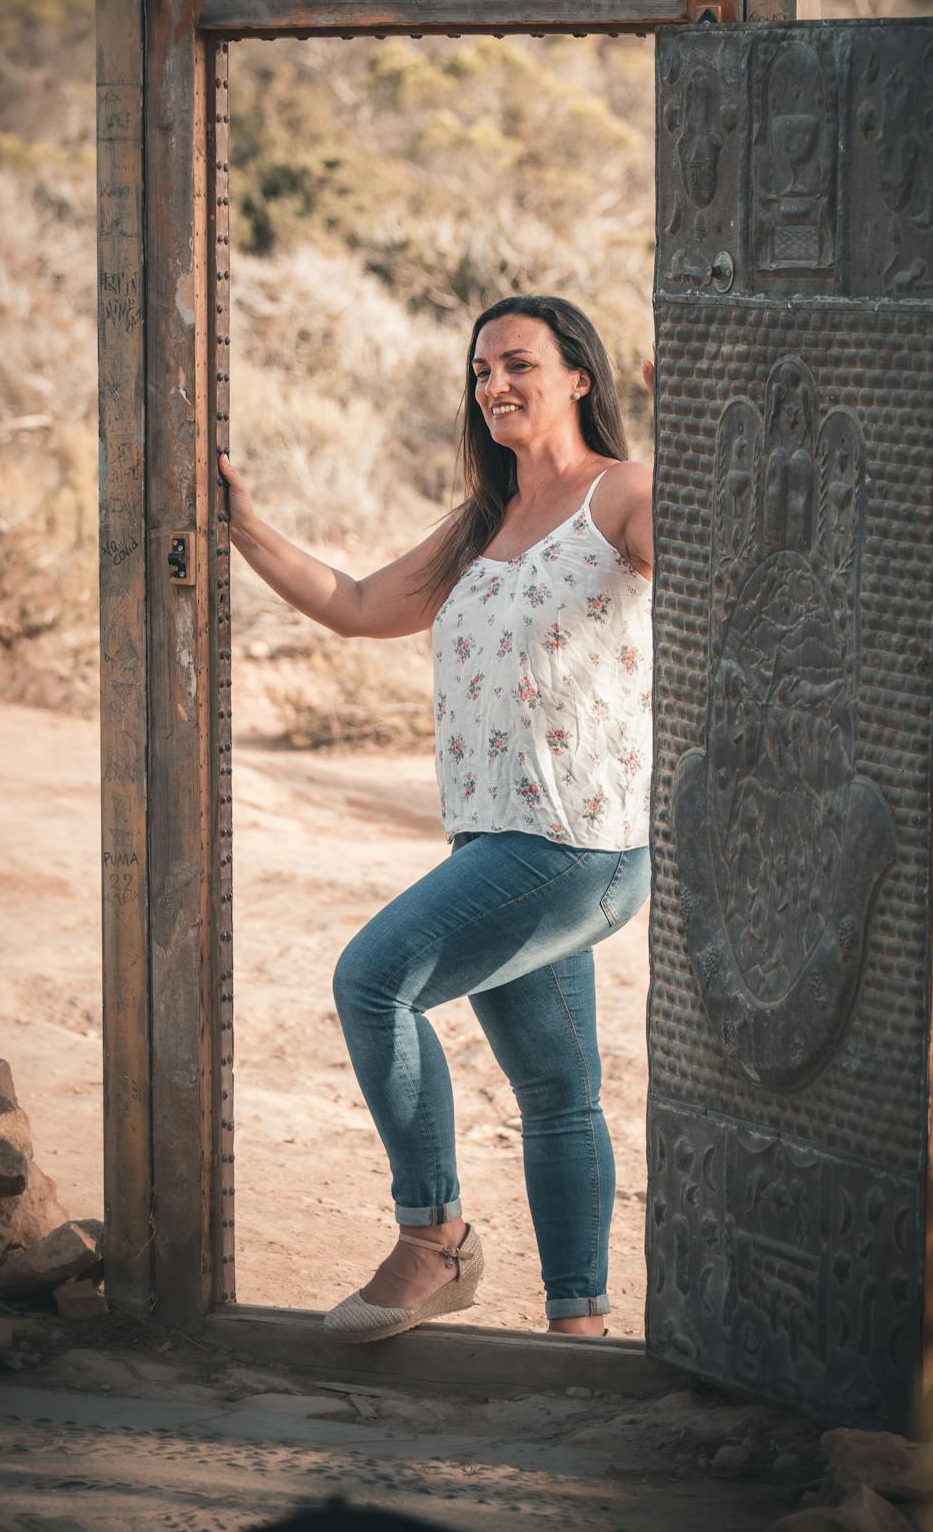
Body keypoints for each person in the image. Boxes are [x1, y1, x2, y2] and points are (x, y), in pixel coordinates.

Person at [218, 294, 654, 1343]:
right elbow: (358, 602)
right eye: (479, 371)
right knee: (557, 1090)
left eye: (517, 363)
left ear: (578, 376)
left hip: (578, 840)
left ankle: (433, 1237)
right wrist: (236, 522)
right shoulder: (480, 524)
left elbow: (732, 592)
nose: (494, 384)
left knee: (373, 977)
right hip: (494, 839)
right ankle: (578, 1330)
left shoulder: (626, 493)